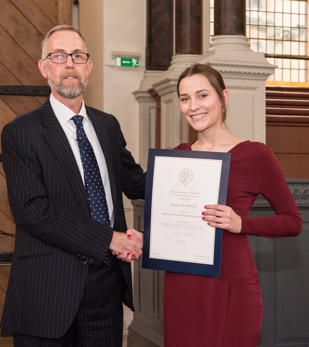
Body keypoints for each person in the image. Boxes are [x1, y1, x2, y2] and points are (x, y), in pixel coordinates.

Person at [0, 25, 146, 346]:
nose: (69, 64)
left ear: (88, 66)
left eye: (77, 56)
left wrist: (197, 172)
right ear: (44, 67)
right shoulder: (20, 132)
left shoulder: (107, 125)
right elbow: (31, 211)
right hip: (47, 292)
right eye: (58, 55)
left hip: (106, 291)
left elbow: (138, 184)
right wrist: (111, 239)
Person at [163, 63, 302, 347]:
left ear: (223, 98)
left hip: (232, 282)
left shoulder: (256, 154)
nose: (193, 106)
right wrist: (141, 238)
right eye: (185, 98)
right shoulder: (176, 156)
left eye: (202, 95)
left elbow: (292, 221)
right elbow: (170, 221)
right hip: (181, 284)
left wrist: (242, 224)